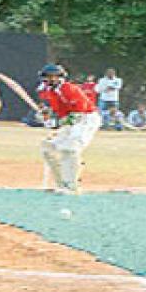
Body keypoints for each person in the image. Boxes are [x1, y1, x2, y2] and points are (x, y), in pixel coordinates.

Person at [34, 64, 101, 194]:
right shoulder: (51, 92)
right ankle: (61, 184)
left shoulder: (70, 89)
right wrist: (47, 117)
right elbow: (61, 113)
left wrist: (57, 123)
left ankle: (72, 186)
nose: (49, 80)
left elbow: (78, 114)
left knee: (70, 149)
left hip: (87, 119)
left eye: (52, 77)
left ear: (60, 77)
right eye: (47, 77)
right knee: (48, 147)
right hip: (74, 120)